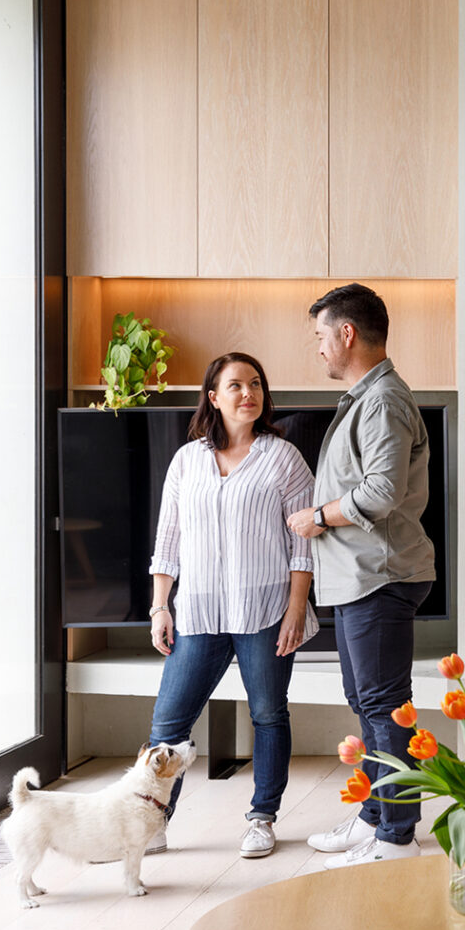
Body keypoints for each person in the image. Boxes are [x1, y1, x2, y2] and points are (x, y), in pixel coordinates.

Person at [145, 352, 316, 859]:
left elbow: (304, 547)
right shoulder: (186, 460)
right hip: (197, 612)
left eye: (257, 384)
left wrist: (295, 609)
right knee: (167, 725)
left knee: (267, 715)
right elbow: (168, 540)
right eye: (236, 385)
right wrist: (160, 606)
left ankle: (262, 818)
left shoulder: (283, 458)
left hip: (265, 611)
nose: (249, 393)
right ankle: (151, 823)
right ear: (214, 397)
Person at [289, 283, 435, 869]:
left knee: (384, 706)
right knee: (368, 702)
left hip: (379, 576)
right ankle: (377, 816)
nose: (319, 348)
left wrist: (318, 516)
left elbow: (381, 490)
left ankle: (397, 836)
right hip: (357, 577)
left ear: (347, 333)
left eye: (322, 336)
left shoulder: (382, 402)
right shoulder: (366, 398)